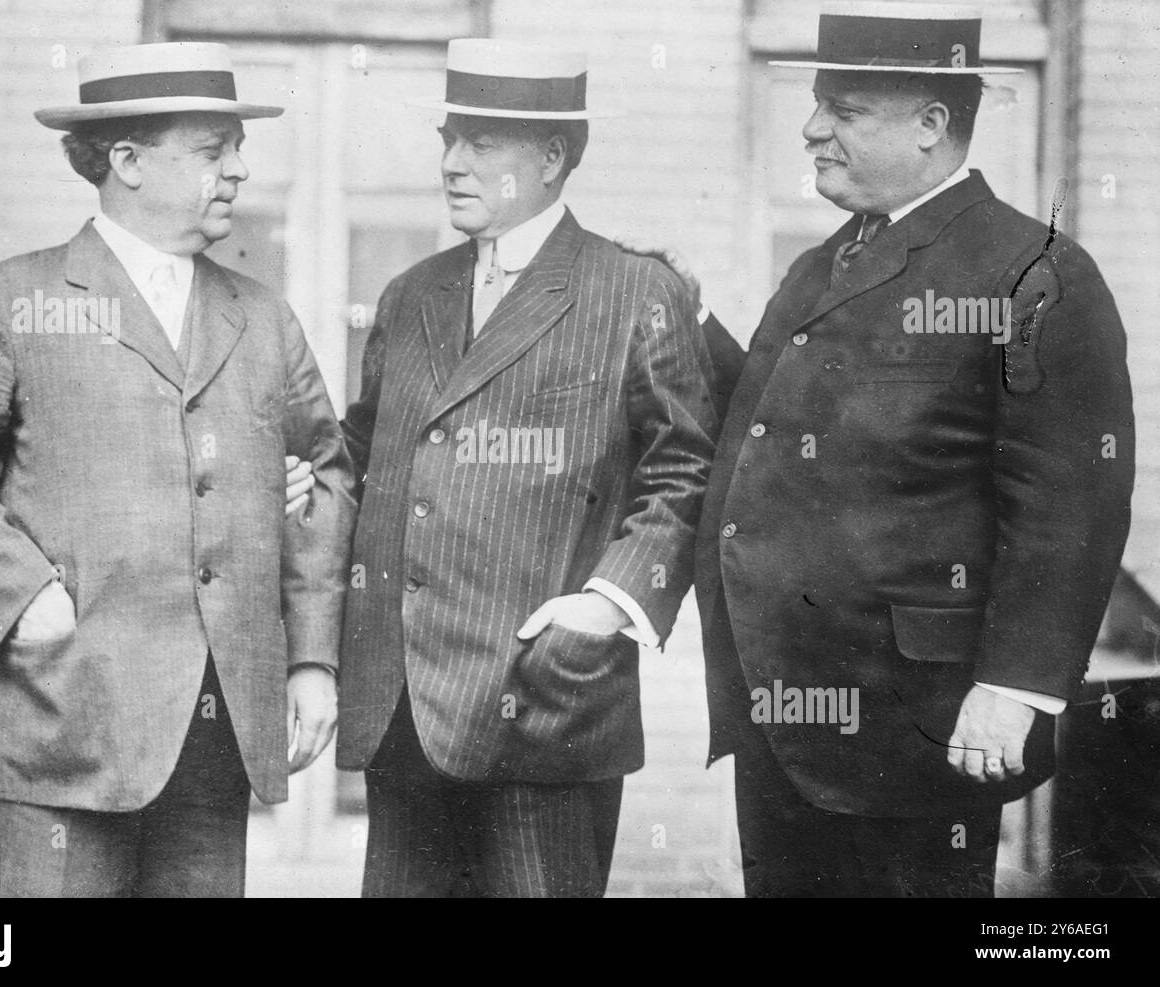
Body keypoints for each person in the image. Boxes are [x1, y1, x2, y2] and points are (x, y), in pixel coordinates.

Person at [624, 2, 1134, 896]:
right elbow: (777, 428)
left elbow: (1070, 501)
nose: (813, 130)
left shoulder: (1032, 271)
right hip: (787, 713)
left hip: (914, 724)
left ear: (932, 124)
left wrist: (1018, 686)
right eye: (819, 105)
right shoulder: (824, 264)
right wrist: (693, 318)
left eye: (846, 110)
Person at [0, 42, 356, 897]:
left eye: (236, 150)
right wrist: (19, 597)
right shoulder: (9, 301)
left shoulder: (264, 316)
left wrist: (312, 659)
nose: (240, 171)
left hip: (214, 738)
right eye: (214, 150)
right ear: (127, 161)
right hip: (61, 725)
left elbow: (325, 469)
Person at [334, 38, 718, 897]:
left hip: (543, 695)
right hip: (401, 702)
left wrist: (606, 605)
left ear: (552, 157)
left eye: (481, 143)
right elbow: (364, 455)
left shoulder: (633, 290)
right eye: (448, 139)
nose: (452, 163)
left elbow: (684, 467)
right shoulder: (411, 293)